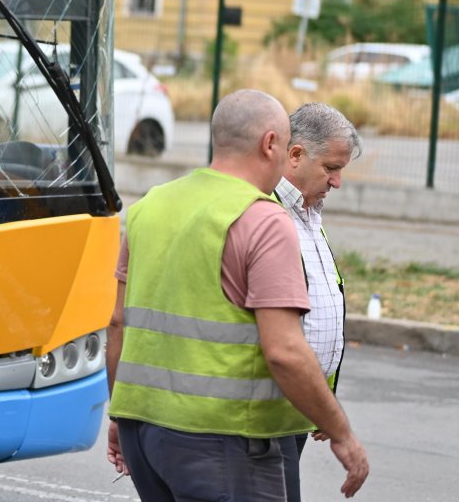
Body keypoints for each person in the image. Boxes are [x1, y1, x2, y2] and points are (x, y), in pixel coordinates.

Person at [106, 89, 369, 501]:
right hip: (223, 438)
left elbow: (119, 322)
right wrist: (342, 433)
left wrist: (120, 414)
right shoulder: (263, 217)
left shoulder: (149, 206)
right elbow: (283, 350)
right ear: (271, 145)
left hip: (144, 430)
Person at [274, 102, 362, 501]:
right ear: (295, 155)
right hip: (267, 410)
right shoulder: (267, 214)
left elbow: (319, 316)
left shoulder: (309, 215)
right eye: (331, 168)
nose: (338, 181)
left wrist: (322, 398)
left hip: (299, 403)